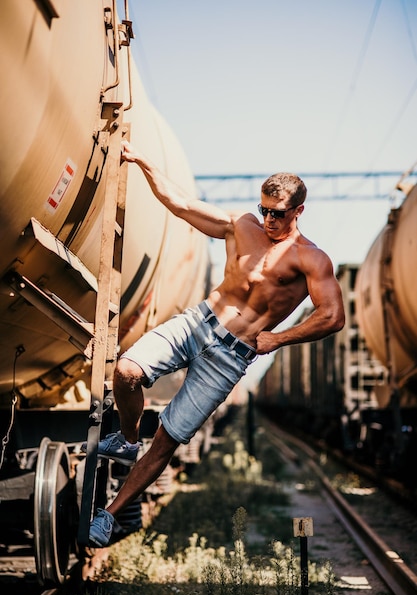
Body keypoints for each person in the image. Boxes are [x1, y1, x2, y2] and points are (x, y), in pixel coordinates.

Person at [88, 140, 345, 547]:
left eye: (278, 214)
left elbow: (332, 316)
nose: (269, 221)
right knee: (126, 370)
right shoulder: (242, 226)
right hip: (199, 321)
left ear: (298, 211)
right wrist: (141, 160)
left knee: (168, 440)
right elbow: (180, 204)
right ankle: (127, 438)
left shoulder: (311, 259)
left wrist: (279, 338)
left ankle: (108, 515)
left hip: (231, 359)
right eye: (264, 210)